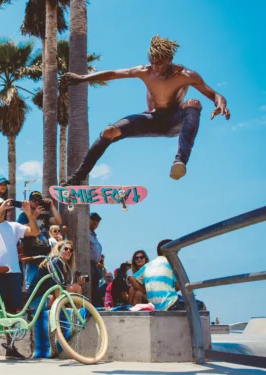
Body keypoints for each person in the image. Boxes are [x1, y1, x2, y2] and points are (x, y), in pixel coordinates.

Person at [60, 35, 230, 186]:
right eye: (153, 62)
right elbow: (113, 74)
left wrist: (220, 103)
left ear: (169, 58)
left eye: (160, 63)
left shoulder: (186, 75)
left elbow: (214, 94)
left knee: (193, 103)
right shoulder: (144, 71)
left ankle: (180, 162)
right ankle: (77, 178)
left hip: (174, 120)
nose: (156, 68)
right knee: (109, 131)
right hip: (151, 119)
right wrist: (83, 78)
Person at [0, 198, 39, 362]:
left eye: (3, 206)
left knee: (12, 313)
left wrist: (29, 214)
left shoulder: (13, 226)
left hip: (13, 273)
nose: (2, 208)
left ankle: (11, 349)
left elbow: (34, 232)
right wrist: (0, 209)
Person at [131, 239, 205, 311]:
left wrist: (144, 290)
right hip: (170, 304)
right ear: (169, 250)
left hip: (154, 306)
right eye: (176, 250)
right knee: (201, 306)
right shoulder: (171, 263)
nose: (177, 253)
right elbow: (179, 285)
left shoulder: (147, 265)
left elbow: (132, 279)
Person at [17, 191, 62, 292]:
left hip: (46, 257)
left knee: (46, 287)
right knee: (32, 287)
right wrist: (33, 217)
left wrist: (52, 206)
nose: (37, 202)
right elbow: (20, 229)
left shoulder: (44, 216)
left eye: (39, 200)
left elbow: (58, 221)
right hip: (32, 258)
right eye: (34, 200)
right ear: (29, 201)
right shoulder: (24, 216)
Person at [27, 241, 85, 312]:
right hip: (38, 301)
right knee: (77, 287)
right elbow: (56, 288)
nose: (68, 251)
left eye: (71, 250)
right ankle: (79, 316)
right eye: (65, 249)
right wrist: (60, 304)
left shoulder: (55, 263)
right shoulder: (57, 261)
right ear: (59, 250)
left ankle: (75, 314)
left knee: (74, 287)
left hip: (35, 302)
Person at [89, 212, 103, 306]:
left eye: (97, 220)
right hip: (87, 264)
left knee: (94, 289)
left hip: (95, 265)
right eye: (93, 218)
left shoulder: (94, 235)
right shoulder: (85, 232)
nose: (95, 221)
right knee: (89, 288)